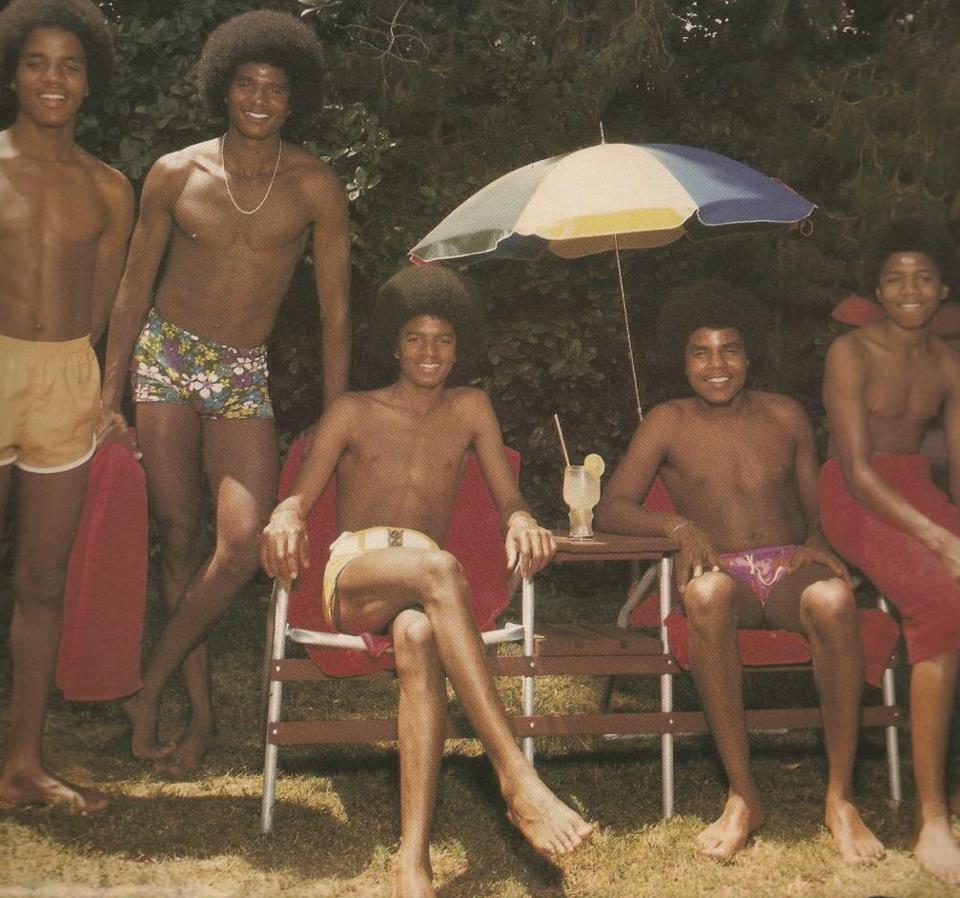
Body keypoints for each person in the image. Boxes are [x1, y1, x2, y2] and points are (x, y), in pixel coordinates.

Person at [260, 266, 593, 898]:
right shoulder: (352, 410)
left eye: (443, 340)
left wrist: (523, 519)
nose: (429, 352)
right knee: (439, 568)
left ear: (459, 348)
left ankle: (412, 859)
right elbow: (300, 496)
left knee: (417, 635)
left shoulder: (471, 408)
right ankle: (515, 776)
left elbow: (508, 498)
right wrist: (284, 515)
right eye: (415, 338)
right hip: (355, 574)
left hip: (422, 590)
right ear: (394, 345)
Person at [97, 10, 351, 774]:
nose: (259, 99)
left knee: (241, 544)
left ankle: (148, 687)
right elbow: (132, 289)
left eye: (275, 88)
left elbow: (337, 314)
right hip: (166, 358)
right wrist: (110, 398)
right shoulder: (175, 173)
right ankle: (200, 717)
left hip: (242, 369)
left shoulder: (315, 185)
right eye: (247, 83)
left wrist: (337, 414)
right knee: (179, 535)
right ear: (224, 87)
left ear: (294, 99)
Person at [596, 280, 883, 864]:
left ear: (750, 356)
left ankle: (840, 798)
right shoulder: (667, 421)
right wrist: (679, 528)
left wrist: (819, 540)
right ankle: (743, 794)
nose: (716, 365)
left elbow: (817, 507)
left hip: (788, 568)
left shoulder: (786, 414)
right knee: (706, 597)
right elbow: (611, 508)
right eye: (700, 352)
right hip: (721, 570)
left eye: (729, 349)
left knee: (833, 600)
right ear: (682, 362)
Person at [0, 0, 134, 810]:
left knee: (44, 579)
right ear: (14, 72)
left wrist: (103, 394)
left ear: (89, 83)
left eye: (70, 66)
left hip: (65, 381)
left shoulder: (109, 188)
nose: (53, 78)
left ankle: (22, 764)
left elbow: (107, 309)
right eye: (37, 62)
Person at [821, 216, 960, 885]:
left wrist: (950, 527)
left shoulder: (950, 363)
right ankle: (932, 817)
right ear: (876, 289)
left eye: (923, 278)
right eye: (895, 279)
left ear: (943, 289)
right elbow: (857, 473)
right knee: (941, 598)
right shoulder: (850, 352)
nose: (910, 290)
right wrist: (939, 538)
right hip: (856, 494)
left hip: (916, 487)